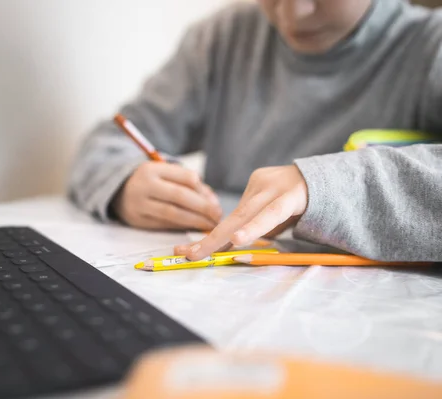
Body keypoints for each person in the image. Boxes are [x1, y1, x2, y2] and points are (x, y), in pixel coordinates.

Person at [68, 0, 442, 263]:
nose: (293, 14)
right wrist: (124, 184)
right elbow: (113, 139)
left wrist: (324, 187)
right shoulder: (223, 38)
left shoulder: (430, 47)